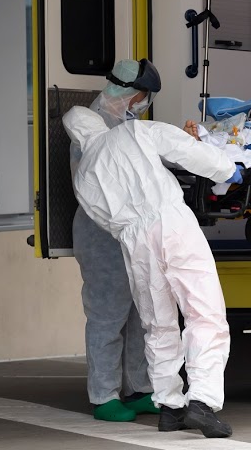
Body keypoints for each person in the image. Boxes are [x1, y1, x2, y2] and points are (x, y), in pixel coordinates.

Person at [64, 58, 241, 438]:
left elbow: (108, 205)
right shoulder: (132, 132)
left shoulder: (86, 170)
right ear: (134, 94)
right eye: (144, 97)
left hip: (128, 238)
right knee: (202, 312)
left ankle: (167, 403)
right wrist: (227, 170)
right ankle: (199, 402)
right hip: (165, 224)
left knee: (154, 322)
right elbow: (175, 149)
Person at [70, 59, 161, 422]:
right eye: (144, 97)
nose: (144, 103)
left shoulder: (124, 123)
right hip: (102, 232)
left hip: (131, 231)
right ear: (133, 94)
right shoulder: (91, 126)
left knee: (139, 313)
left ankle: (139, 388)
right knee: (108, 315)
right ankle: (104, 395)